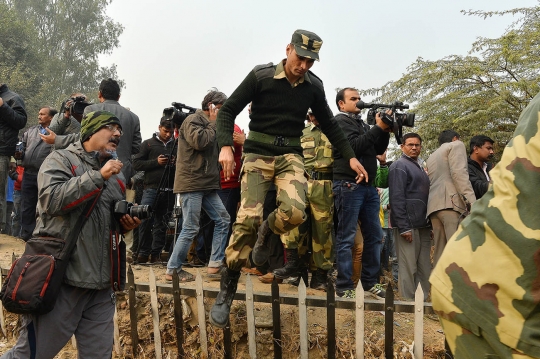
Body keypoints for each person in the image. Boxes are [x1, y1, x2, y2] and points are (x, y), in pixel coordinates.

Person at [210, 29, 367, 328]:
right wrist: (226, 147)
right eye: (301, 58)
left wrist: (351, 156)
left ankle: (268, 229)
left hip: (291, 157)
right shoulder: (262, 77)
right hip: (257, 154)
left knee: (295, 212)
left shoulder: (312, 87)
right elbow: (228, 110)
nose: (304, 66)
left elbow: (332, 127)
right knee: (246, 220)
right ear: (288, 50)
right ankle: (227, 290)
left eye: (311, 61)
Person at [0, 110, 140, 359]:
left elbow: (106, 223)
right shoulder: (60, 160)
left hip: (100, 286)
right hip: (62, 280)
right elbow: (52, 201)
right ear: (90, 131)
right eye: (110, 127)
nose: (118, 133)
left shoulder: (117, 173)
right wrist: (97, 177)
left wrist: (126, 224)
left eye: (120, 130)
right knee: (29, 355)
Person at [430, 93, 540, 359]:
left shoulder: (477, 165)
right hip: (490, 296)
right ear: (471, 146)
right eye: (488, 148)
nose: (492, 152)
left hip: (473, 280)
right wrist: (470, 202)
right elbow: (466, 182)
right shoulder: (460, 155)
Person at [165, 91, 231, 282]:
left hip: (206, 184)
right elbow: (201, 142)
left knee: (223, 220)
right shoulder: (192, 120)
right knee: (191, 227)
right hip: (192, 184)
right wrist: (213, 122)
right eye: (221, 108)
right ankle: (173, 269)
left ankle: (215, 265)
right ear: (211, 106)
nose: (222, 112)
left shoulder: (208, 123)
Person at [332, 87, 391, 299]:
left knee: (375, 236)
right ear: (341, 103)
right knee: (346, 237)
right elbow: (354, 147)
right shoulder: (339, 122)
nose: (358, 102)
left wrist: (385, 129)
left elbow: (378, 148)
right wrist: (377, 127)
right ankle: (344, 286)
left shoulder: (361, 123)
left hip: (367, 187)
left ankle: (369, 283)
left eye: (359, 98)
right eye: (353, 99)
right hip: (348, 185)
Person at [277, 110, 334, 290]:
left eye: (316, 112)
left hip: (325, 184)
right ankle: (297, 271)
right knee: (293, 225)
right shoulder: (302, 133)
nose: (313, 116)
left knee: (322, 231)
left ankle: (320, 276)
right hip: (300, 182)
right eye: (310, 114)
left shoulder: (335, 131)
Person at [50, 78, 142, 180]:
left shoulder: (91, 110)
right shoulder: (133, 117)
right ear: (119, 96)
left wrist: (57, 139)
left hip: (94, 170)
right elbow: (136, 148)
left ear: (99, 94)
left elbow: (83, 138)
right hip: (121, 171)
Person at [388, 133, 431, 300]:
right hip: (408, 225)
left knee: (424, 267)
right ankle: (407, 303)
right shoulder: (399, 166)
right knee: (408, 267)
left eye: (417, 145)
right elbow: (396, 198)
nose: (414, 147)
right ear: (402, 147)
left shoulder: (419, 166)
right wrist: (404, 226)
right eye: (410, 144)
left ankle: (422, 302)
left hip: (423, 225)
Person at [426, 130, 476, 266]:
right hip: (452, 204)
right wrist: (472, 202)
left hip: (434, 206)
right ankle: (458, 286)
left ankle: (437, 286)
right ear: (455, 138)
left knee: (440, 253)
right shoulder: (456, 145)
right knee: (457, 250)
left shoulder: (431, 156)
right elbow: (459, 174)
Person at [132, 118, 176, 263]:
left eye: (171, 132)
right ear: (159, 128)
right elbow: (136, 163)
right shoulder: (148, 144)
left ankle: (156, 254)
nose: (168, 135)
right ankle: (143, 253)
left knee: (162, 223)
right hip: (151, 188)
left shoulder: (176, 145)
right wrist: (156, 162)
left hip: (169, 189)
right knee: (145, 220)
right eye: (165, 131)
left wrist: (174, 163)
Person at [16, 106, 57, 240]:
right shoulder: (30, 131)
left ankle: (40, 237)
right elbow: (22, 148)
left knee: (43, 207)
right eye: (39, 114)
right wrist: (19, 154)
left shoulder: (56, 133)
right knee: (26, 206)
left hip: (45, 175)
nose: (39, 116)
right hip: (28, 173)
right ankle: (26, 236)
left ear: (51, 117)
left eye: (43, 114)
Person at [0, 83, 27, 234]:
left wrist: (3, 106)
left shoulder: (13, 98)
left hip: (2, 151)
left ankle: (1, 231)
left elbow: (21, 121)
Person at [467, 135, 494, 199]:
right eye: (488, 148)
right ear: (476, 149)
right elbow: (477, 188)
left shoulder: (490, 167)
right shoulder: (466, 168)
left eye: (492, 149)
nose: (492, 152)